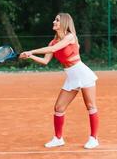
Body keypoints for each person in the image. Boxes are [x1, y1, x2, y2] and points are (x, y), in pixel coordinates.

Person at [19, 13, 99, 149]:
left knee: (90, 106)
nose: (54, 21)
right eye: (55, 19)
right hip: (71, 77)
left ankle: (94, 138)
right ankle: (58, 138)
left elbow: (54, 49)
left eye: (57, 20)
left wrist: (31, 50)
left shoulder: (70, 37)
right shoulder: (52, 41)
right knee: (59, 107)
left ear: (64, 23)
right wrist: (30, 56)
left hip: (82, 73)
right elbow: (45, 61)